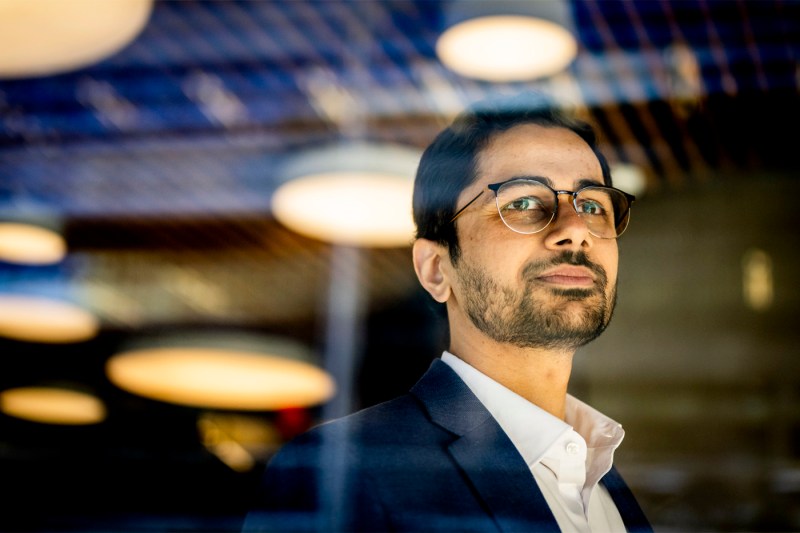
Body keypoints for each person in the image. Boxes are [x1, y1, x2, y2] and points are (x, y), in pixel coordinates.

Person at [243, 92, 652, 532]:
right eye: (523, 203)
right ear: (437, 269)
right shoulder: (344, 470)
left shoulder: (602, 477)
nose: (575, 230)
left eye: (592, 206)